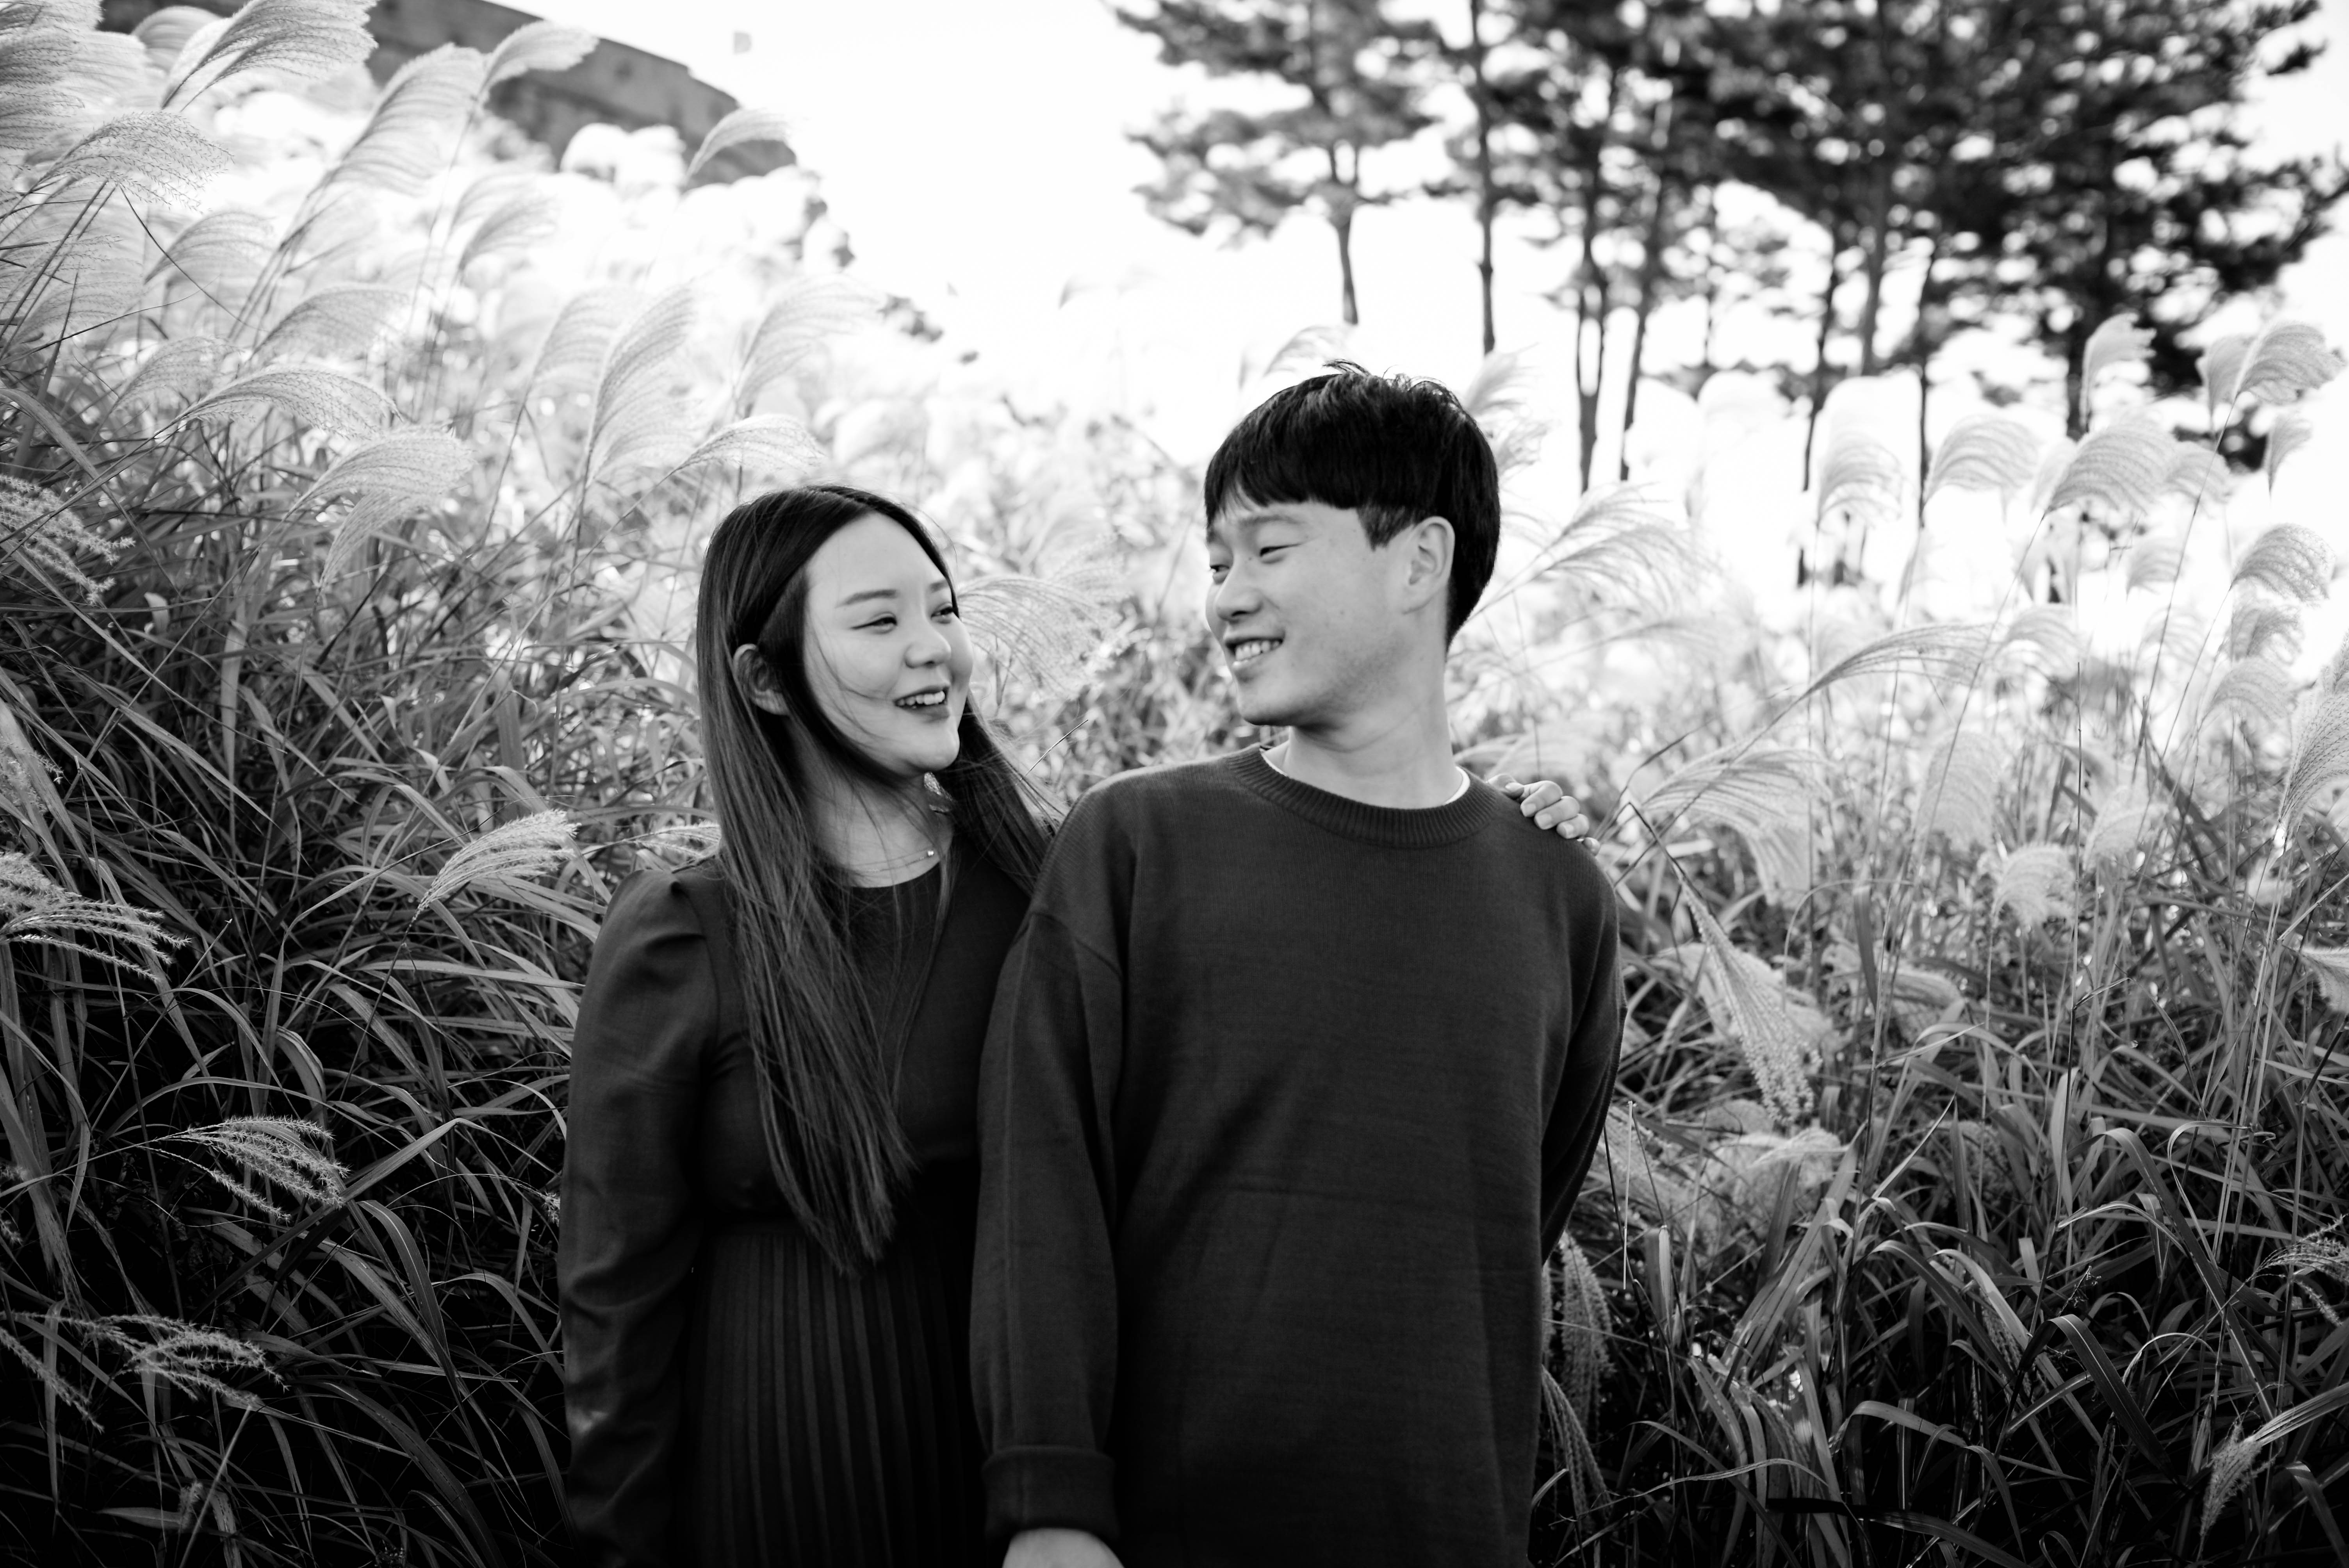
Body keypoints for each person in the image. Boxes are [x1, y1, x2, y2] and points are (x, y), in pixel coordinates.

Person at [559, 483, 1590, 1567]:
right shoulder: (687, 937)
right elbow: (614, 1313)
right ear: (764, 679)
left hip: (1057, 1496)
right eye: (879, 621)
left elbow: (1320, 1006)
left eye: (943, 610)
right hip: (779, 1495)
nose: (933, 648)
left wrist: (1498, 833)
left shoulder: (1061, 886)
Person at [972, 367, 1624, 1568]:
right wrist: (1049, 1505)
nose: (1227, 596)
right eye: (1218, 562)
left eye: (1269, 550)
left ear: (1419, 561)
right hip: (1161, 1536)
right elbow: (1041, 1191)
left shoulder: (1561, 895)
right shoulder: (1139, 845)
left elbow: (1511, 1232)